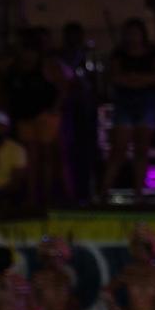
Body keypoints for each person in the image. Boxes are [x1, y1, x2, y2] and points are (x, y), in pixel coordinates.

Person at [4, 29, 68, 209]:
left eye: (29, 51)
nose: (26, 55)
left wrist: (55, 109)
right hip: (25, 117)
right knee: (31, 159)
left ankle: (47, 196)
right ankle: (32, 197)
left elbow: (64, 87)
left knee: (47, 156)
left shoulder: (48, 66)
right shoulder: (14, 67)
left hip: (45, 116)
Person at [102, 19, 155, 198]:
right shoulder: (119, 54)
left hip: (147, 104)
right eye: (130, 33)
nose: (133, 36)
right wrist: (138, 80)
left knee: (142, 149)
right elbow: (115, 77)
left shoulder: (153, 52)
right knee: (119, 149)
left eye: (136, 32)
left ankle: (138, 191)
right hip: (125, 104)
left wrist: (135, 79)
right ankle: (105, 190)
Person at [56, 22, 100, 206]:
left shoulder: (88, 57)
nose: (75, 40)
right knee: (69, 153)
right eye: (71, 35)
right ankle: (71, 193)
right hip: (68, 111)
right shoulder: (60, 58)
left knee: (87, 153)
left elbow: (94, 82)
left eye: (77, 35)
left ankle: (87, 192)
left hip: (87, 110)